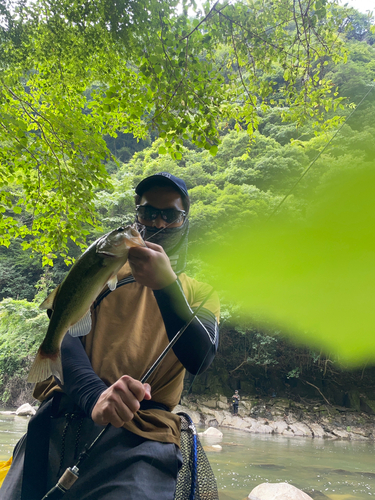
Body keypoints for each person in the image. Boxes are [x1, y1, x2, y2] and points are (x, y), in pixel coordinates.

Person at [1, 172, 220, 500]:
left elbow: (200, 357)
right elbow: (64, 332)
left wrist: (166, 287)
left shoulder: (200, 293)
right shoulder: (102, 268)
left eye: (170, 214)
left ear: (183, 221)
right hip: (62, 418)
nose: (158, 221)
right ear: (137, 216)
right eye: (148, 212)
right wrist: (95, 397)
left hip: (145, 437)